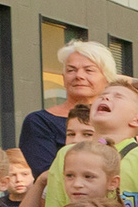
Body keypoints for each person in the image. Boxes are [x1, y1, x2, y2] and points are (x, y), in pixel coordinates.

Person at [18, 40, 115, 179]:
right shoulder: (39, 122)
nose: (79, 76)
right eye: (71, 70)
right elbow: (47, 174)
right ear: (63, 78)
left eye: (89, 70)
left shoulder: (118, 120)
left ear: (107, 79)